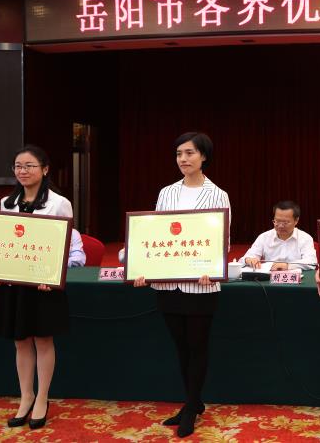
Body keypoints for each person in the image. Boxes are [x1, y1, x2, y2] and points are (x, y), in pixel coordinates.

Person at [132, 132, 231, 438]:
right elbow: (155, 234)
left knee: (197, 346)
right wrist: (143, 267)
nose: (183, 159)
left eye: (189, 153)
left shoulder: (218, 194)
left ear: (204, 156)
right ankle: (194, 401)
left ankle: (190, 408)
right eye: (179, 154)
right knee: (181, 347)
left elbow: (223, 239)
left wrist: (213, 266)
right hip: (168, 283)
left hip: (201, 284)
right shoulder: (167, 193)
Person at [0, 145, 79, 430]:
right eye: (18, 166)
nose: (23, 171)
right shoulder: (6, 203)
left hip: (43, 285)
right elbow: (1, 244)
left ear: (45, 169)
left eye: (29, 166)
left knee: (42, 340)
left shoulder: (59, 203)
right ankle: (26, 396)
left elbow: (65, 244)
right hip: (15, 284)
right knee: (20, 341)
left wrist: (52, 274)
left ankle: (42, 397)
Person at [240, 200, 317, 270]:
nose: (280, 226)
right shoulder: (264, 237)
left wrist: (287, 265)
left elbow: (311, 262)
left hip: (296, 279)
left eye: (285, 222)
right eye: (277, 221)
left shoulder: (305, 238)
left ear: (296, 220)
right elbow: (243, 260)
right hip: (269, 279)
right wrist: (249, 260)